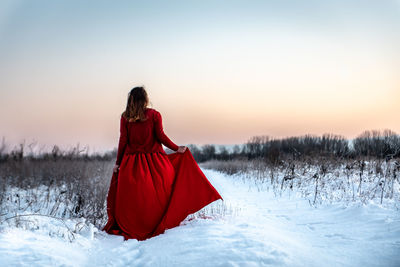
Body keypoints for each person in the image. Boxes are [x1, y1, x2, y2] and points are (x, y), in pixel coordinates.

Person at [102, 86, 222, 241]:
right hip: (156, 164)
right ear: (145, 99)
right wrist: (177, 148)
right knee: (162, 196)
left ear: (130, 99)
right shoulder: (154, 114)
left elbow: (123, 141)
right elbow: (161, 136)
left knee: (135, 199)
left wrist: (118, 163)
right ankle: (158, 223)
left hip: (132, 165)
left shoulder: (125, 117)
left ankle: (137, 225)